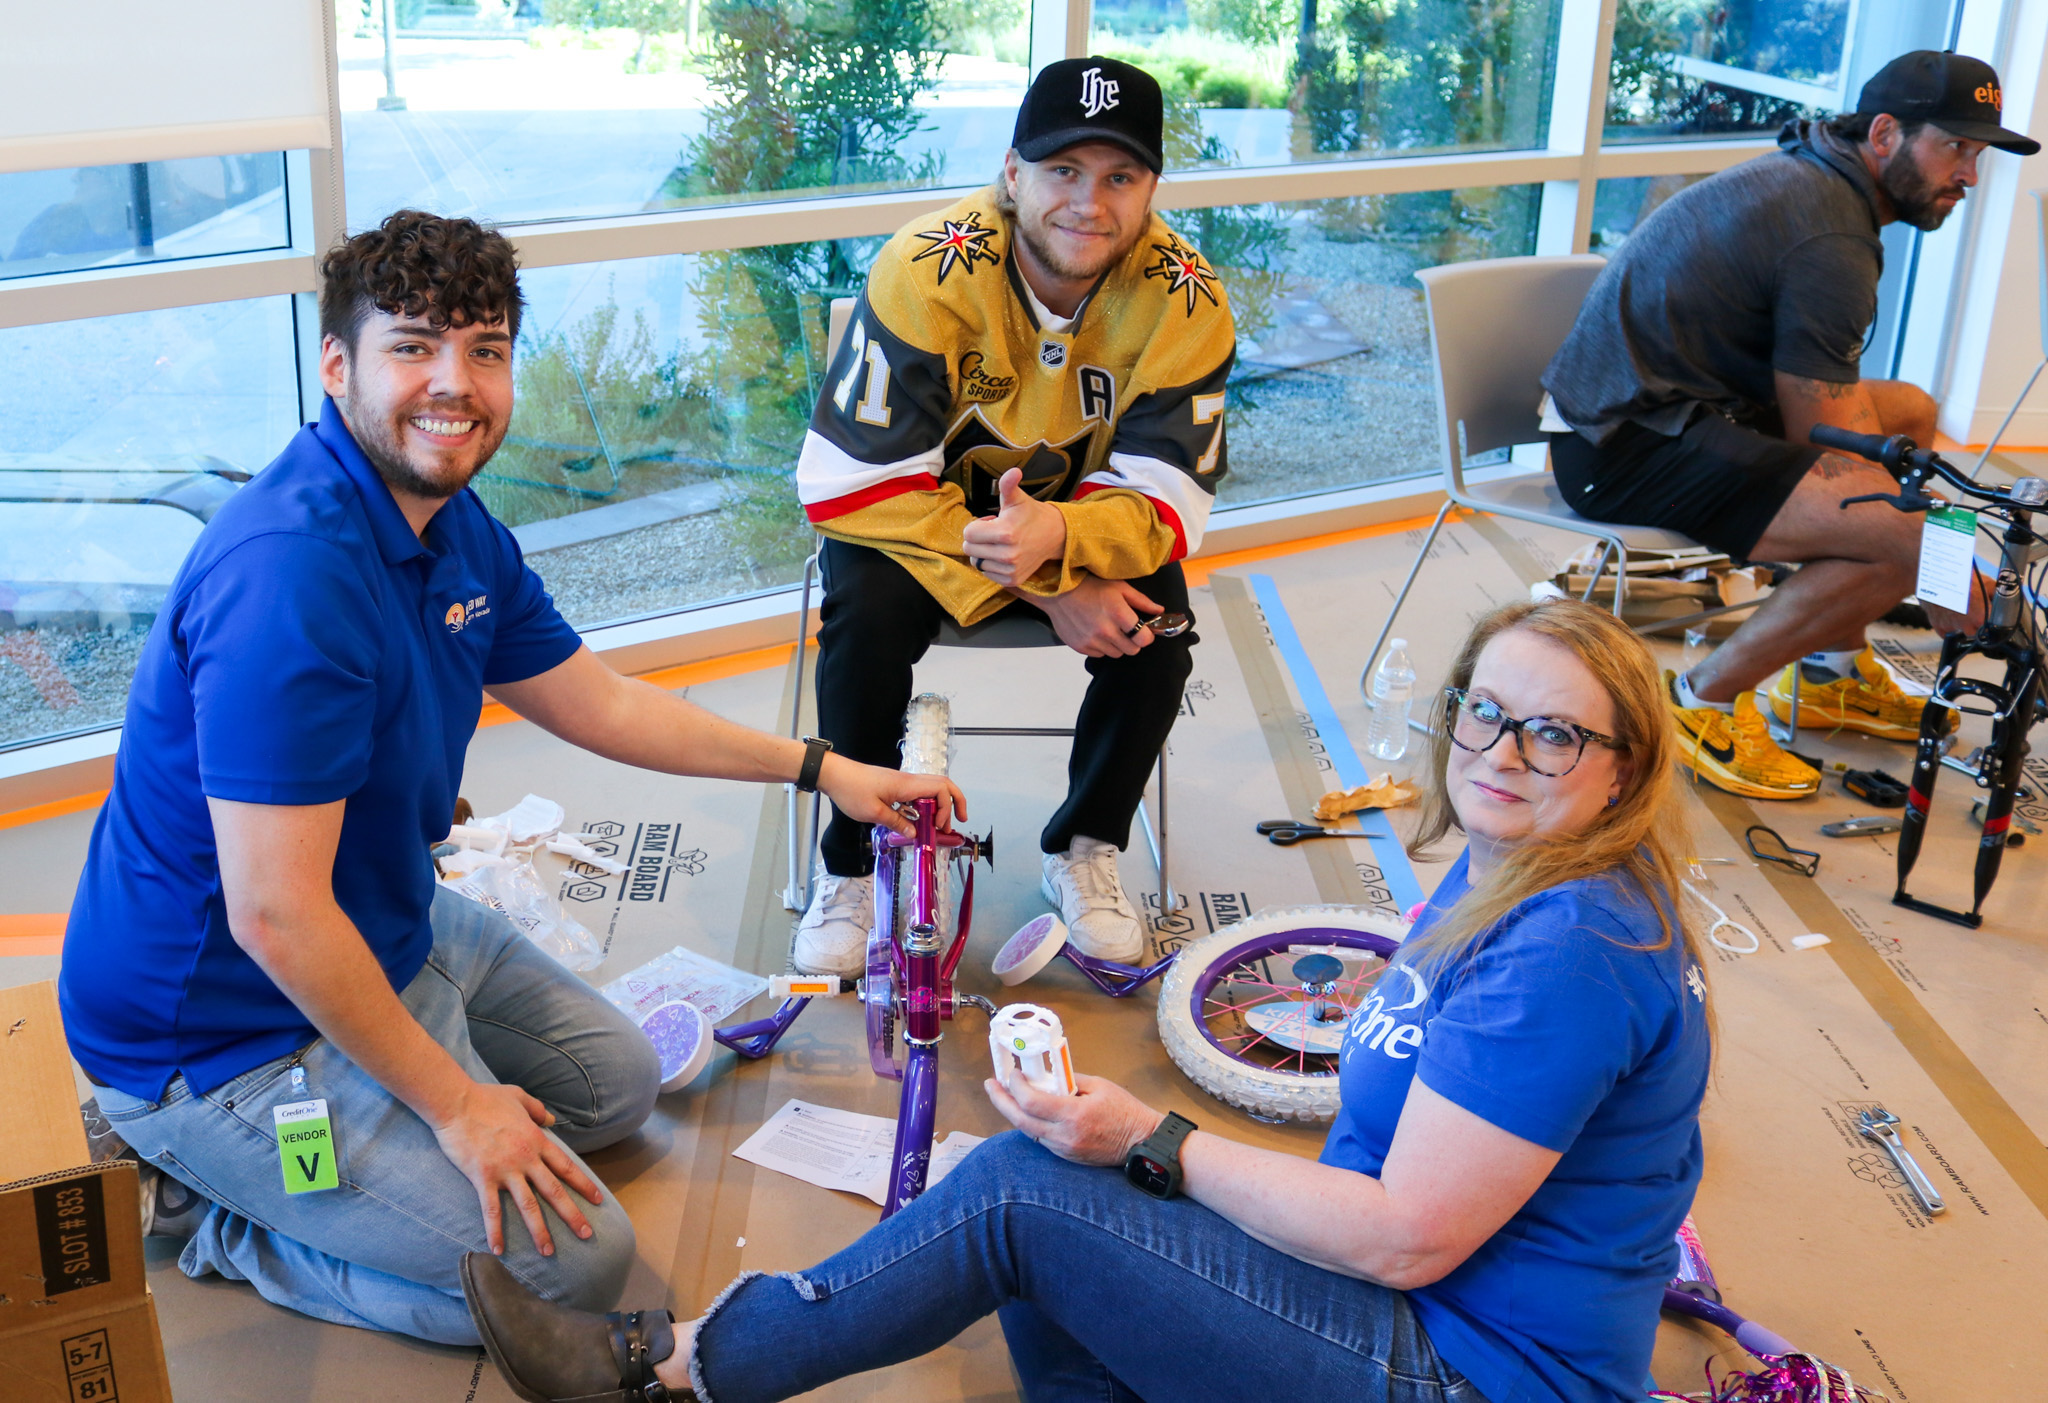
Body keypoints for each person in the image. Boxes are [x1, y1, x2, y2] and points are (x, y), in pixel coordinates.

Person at [59, 210, 963, 1345]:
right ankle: (231, 1219)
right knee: (582, 1272)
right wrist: (458, 1103)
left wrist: (827, 770)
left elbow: (604, 703)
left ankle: (381, 1122)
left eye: (484, 350)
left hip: (389, 919)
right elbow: (276, 915)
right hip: (226, 1034)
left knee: (617, 1084)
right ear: (335, 365)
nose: (455, 384)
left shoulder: (448, 522)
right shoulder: (289, 580)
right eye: (414, 346)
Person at [461, 596, 1713, 1403]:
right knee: (1061, 1189)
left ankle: (666, 1372)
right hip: (1412, 1307)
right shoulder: (1515, 876)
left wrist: (1157, 1140)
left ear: (1623, 771)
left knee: (1020, 1194)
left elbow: (1403, 1236)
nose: (1499, 752)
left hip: (1465, 1367)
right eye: (1483, 712)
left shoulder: (1572, 949)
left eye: (1553, 735)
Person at [788, 55, 1235, 976]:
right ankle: (852, 862)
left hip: (1076, 528)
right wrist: (1044, 576)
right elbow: (845, 483)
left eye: (1120, 177)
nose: (1089, 202)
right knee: (863, 618)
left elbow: (1172, 495)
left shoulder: (1188, 296)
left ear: (1152, 187)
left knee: (1162, 629)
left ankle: (1083, 846)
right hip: (922, 527)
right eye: (1063, 171)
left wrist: (1064, 543)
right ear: (1012, 172)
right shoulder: (926, 266)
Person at [1542, 49, 2039, 801]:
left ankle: (1831, 671)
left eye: (1978, 154)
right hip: (1620, 444)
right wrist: (1948, 569)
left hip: (1670, 405)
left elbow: (1854, 431)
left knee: (1912, 413)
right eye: (1955, 148)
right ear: (1883, 135)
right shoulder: (1831, 239)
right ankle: (1699, 701)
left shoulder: (1821, 170)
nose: (1970, 174)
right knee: (1903, 533)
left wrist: (1944, 545)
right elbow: (1829, 444)